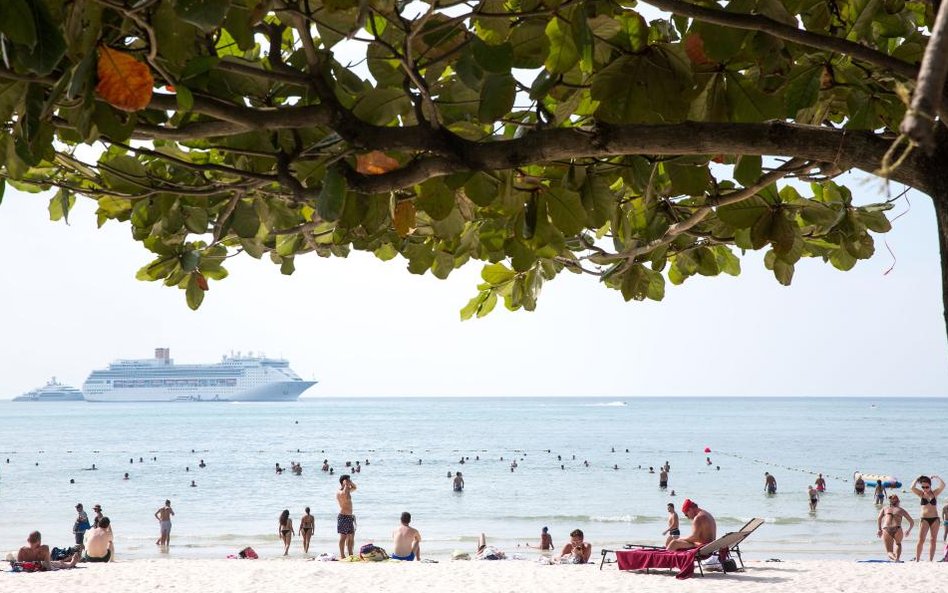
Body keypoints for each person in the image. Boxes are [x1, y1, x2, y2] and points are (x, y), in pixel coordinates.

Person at [910, 474, 945, 561]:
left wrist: (937, 477)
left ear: (930, 485)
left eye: (927, 487)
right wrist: (917, 478)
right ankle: (917, 560)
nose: (925, 489)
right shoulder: (921, 494)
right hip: (924, 519)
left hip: (935, 519)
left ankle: (930, 560)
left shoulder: (935, 493)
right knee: (921, 540)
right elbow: (912, 487)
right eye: (923, 487)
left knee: (933, 540)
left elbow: (943, 485)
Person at [878, 494, 914, 561]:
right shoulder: (901, 510)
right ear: (898, 502)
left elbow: (879, 518)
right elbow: (911, 522)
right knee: (898, 544)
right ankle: (897, 558)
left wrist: (879, 529)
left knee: (889, 551)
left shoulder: (885, 509)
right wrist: (908, 530)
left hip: (886, 528)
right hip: (897, 528)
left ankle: (895, 559)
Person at [336, 474, 357, 558]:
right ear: (343, 482)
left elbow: (355, 488)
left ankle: (351, 553)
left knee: (351, 536)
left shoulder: (347, 489)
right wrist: (345, 485)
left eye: (349, 480)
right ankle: (342, 555)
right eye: (347, 480)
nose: (349, 482)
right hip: (343, 516)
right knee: (343, 537)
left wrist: (351, 482)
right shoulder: (339, 492)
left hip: (349, 516)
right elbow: (344, 495)